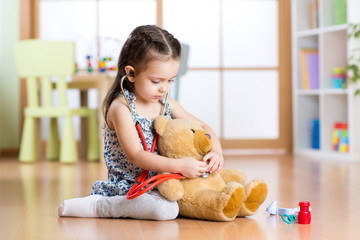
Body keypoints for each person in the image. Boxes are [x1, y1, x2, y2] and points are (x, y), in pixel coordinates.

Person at [58, 25, 224, 220]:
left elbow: (204, 128)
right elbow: (137, 155)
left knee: (210, 189)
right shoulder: (121, 109)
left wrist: (216, 151)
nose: (164, 88)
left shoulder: (167, 103)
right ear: (131, 73)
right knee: (165, 211)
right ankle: (102, 206)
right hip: (131, 186)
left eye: (171, 80)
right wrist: (179, 165)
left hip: (162, 181)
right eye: (156, 81)